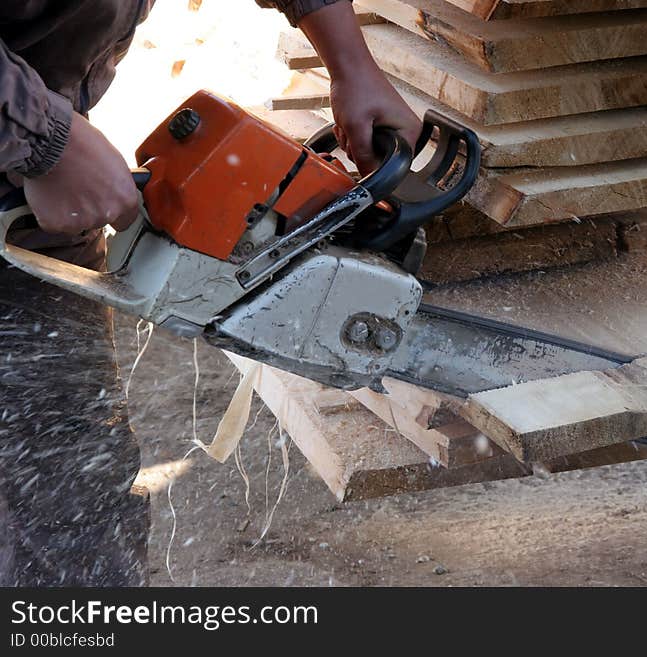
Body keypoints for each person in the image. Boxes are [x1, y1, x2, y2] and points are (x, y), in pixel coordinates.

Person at [0, 0, 421, 586]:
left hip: (25, 186)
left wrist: (349, 61)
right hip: (28, 149)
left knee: (67, 468)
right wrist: (44, 139)